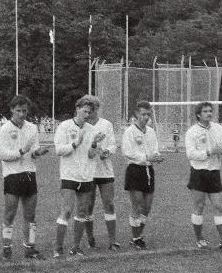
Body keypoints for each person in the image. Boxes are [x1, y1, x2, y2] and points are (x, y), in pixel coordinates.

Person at [0, 95, 49, 260]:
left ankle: (30, 248)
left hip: (29, 173)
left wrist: (37, 152)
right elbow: (4, 155)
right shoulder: (4, 129)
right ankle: (6, 248)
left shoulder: (32, 128)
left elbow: (33, 149)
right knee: (10, 214)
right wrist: (22, 151)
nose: (22, 114)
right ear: (12, 110)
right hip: (12, 175)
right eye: (18, 110)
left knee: (30, 215)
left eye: (24, 110)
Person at [52, 97, 106, 258]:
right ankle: (58, 248)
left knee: (82, 212)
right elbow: (59, 150)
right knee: (67, 210)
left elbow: (91, 155)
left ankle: (76, 247)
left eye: (89, 112)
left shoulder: (91, 129)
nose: (87, 114)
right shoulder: (65, 126)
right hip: (69, 174)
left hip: (87, 176)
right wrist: (76, 143)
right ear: (77, 108)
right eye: (84, 110)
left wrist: (95, 144)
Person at [185, 101, 222, 250]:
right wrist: (208, 152)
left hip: (214, 172)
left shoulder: (217, 128)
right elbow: (190, 154)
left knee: (219, 206)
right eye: (205, 111)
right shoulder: (192, 131)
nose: (209, 113)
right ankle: (200, 239)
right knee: (199, 206)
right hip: (199, 172)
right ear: (198, 115)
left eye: (210, 111)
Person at [121, 101, 165, 250]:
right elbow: (127, 152)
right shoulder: (129, 132)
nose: (146, 117)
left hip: (149, 171)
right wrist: (147, 157)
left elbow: (155, 149)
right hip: (135, 170)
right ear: (136, 115)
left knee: (147, 207)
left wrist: (157, 156)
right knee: (137, 205)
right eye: (143, 114)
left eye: (148, 114)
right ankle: (136, 238)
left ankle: (138, 235)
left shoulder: (151, 131)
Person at [84, 95, 121, 250]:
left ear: (97, 109)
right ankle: (90, 237)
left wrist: (107, 151)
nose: (90, 113)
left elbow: (113, 144)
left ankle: (112, 241)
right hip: (87, 172)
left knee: (109, 204)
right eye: (88, 110)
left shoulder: (106, 124)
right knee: (88, 206)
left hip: (105, 171)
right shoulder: (81, 126)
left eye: (93, 109)